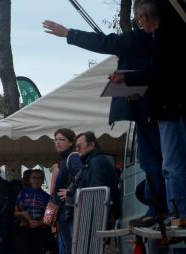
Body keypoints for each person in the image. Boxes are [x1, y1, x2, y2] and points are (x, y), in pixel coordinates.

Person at [43, 15, 166, 220]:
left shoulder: (141, 40)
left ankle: (161, 205)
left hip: (150, 109)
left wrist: (69, 34)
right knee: (154, 162)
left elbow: (107, 42)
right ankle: (161, 204)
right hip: (153, 107)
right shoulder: (155, 43)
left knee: (152, 161)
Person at [110, 0, 186, 224]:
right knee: (168, 164)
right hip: (166, 107)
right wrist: (141, 92)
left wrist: (128, 78)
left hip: (170, 109)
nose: (138, 24)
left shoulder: (166, 36)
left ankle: (179, 211)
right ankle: (175, 209)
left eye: (138, 20)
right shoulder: (167, 35)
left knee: (171, 164)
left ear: (143, 17)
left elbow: (160, 73)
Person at [51, 128, 82, 254]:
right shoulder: (63, 161)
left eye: (62, 139)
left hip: (70, 212)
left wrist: (71, 191)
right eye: (56, 139)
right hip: (64, 212)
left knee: (72, 250)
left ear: (71, 142)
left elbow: (82, 176)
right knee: (67, 251)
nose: (58, 142)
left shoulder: (73, 158)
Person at [14, 169, 51, 254]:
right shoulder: (22, 194)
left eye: (39, 178)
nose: (36, 180)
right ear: (29, 180)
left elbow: (50, 218)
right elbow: (15, 212)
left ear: (42, 180)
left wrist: (40, 223)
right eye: (34, 178)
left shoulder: (47, 197)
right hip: (25, 231)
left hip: (40, 232)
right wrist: (23, 215)